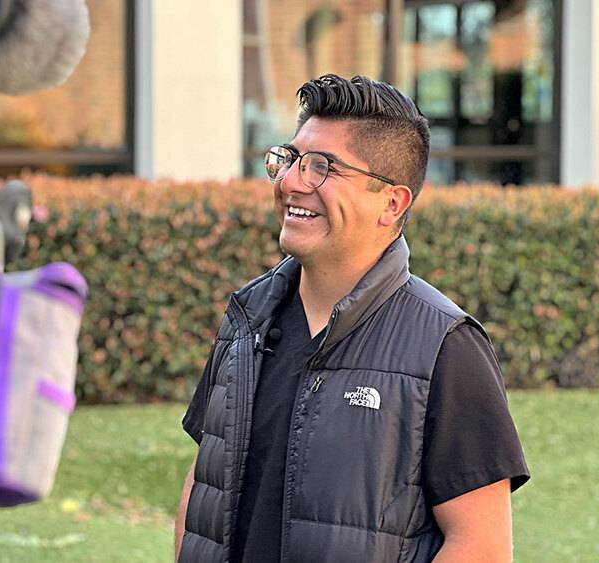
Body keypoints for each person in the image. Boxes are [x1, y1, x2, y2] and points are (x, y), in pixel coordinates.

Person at [175, 74, 529, 562]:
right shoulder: (246, 320)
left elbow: (481, 546)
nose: (291, 182)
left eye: (323, 167)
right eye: (292, 159)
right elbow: (204, 486)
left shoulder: (446, 346)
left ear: (391, 203)